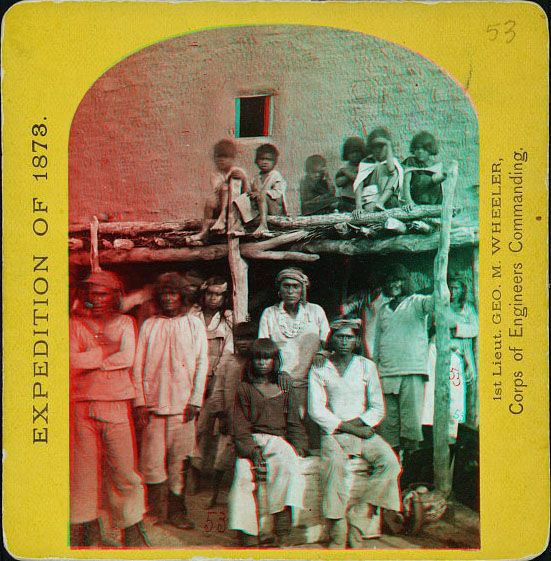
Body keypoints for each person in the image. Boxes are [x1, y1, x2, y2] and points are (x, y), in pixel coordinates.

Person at [69, 270, 149, 548]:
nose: (98, 299)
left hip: (115, 404)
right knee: (83, 471)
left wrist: (92, 359)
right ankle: (85, 526)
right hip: (81, 406)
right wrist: (105, 352)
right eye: (93, 293)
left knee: (124, 469)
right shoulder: (75, 324)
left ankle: (132, 528)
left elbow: (127, 357)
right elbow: (70, 361)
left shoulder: (126, 323)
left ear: (115, 296)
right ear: (86, 296)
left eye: (103, 293)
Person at [309, 319, 402, 548]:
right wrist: (349, 428)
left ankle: (359, 518)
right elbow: (316, 409)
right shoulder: (320, 365)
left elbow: (377, 408)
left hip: (362, 431)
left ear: (356, 340)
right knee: (335, 468)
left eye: (349, 337)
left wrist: (358, 427)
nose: (344, 341)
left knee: (391, 463)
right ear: (331, 338)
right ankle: (338, 527)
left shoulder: (366, 366)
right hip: (334, 433)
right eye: (340, 336)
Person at [133, 272, 208, 530]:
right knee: (152, 463)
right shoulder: (150, 325)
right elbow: (138, 365)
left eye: (173, 293)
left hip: (184, 408)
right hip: (154, 407)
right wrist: (141, 402)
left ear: (182, 297)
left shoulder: (194, 324)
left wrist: (196, 401)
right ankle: (156, 510)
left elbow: (202, 364)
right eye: (164, 294)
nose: (168, 298)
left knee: (179, 462)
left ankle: (178, 511)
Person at [228, 339, 308, 547]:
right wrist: (252, 452)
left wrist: (298, 445)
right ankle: (248, 533)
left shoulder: (284, 386)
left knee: (290, 467)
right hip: (252, 440)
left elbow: (293, 421)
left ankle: (282, 529)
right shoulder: (245, 388)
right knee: (243, 475)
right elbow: (240, 426)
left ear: (275, 361)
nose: (263, 363)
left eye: (268, 358)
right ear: (252, 361)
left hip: (278, 440)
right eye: (258, 358)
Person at [259, 267, 330, 449]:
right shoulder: (270, 314)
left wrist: (323, 352)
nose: (291, 291)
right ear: (279, 289)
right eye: (286, 286)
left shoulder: (315, 312)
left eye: (295, 287)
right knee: (288, 423)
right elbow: (265, 348)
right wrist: (279, 371)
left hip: (312, 378)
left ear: (303, 289)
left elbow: (327, 341)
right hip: (282, 378)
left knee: (313, 421)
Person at [372, 264, 434, 469]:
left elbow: (437, 302)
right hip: (387, 372)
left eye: (398, 280)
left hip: (411, 371)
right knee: (388, 426)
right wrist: (375, 369)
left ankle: (410, 473)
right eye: (391, 281)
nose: (394, 284)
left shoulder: (417, 303)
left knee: (410, 424)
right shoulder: (383, 309)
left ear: (406, 282)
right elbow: (378, 341)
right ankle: (391, 470)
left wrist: (442, 285)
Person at [190, 276, 234, 489]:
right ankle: (188, 469)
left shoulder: (227, 319)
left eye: (219, 295)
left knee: (206, 425)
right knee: (190, 425)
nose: (214, 298)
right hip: (191, 374)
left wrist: (217, 375)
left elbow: (228, 350)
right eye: (210, 294)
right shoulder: (192, 315)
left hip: (215, 376)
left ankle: (201, 471)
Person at [187, 139, 249, 245]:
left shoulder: (239, 171)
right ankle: (204, 230)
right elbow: (218, 190)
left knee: (227, 188)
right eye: (218, 157)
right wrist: (228, 178)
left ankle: (223, 220)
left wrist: (243, 179)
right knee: (210, 200)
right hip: (221, 207)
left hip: (237, 207)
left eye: (225, 157)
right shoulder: (215, 174)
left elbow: (246, 192)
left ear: (233, 158)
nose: (221, 160)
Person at [352, 128, 402, 216]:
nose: (378, 150)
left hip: (386, 198)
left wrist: (388, 144)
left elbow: (391, 169)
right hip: (371, 197)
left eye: (381, 146)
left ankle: (381, 202)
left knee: (394, 173)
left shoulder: (392, 161)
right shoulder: (367, 161)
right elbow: (359, 183)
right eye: (375, 147)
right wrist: (358, 206)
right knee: (380, 168)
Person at [401, 131, 447, 210]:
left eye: (424, 149)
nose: (420, 151)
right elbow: (406, 183)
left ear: (430, 150)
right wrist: (409, 202)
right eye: (417, 148)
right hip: (416, 199)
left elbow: (442, 189)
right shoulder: (411, 161)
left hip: (433, 200)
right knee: (423, 179)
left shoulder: (436, 165)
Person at [249, 143, 288, 237]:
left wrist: (261, 194)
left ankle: (263, 225)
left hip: (276, 209)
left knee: (262, 195)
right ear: (256, 161)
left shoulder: (275, 175)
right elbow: (253, 192)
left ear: (274, 162)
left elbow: (278, 193)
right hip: (262, 209)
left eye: (269, 159)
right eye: (262, 159)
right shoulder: (256, 178)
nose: (265, 162)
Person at [335, 137, 367, 213]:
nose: (354, 155)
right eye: (351, 152)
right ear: (347, 154)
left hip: (359, 200)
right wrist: (347, 173)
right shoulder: (344, 167)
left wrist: (346, 172)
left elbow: (358, 178)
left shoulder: (364, 165)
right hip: (346, 198)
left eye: (357, 152)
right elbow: (338, 182)